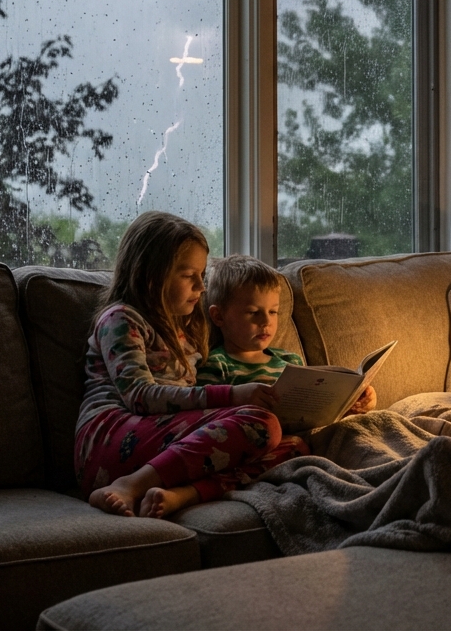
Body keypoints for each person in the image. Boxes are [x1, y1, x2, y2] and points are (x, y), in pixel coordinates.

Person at [76, 212, 305, 519]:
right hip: (111, 440)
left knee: (294, 447)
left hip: (165, 441)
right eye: (189, 276)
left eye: (202, 275)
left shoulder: (185, 329)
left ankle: (182, 495)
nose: (201, 286)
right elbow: (140, 397)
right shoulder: (120, 319)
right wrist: (233, 397)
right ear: (151, 276)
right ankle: (130, 485)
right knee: (259, 424)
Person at [197, 255, 376, 413]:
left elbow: (314, 412)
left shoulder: (291, 362)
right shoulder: (216, 365)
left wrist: (353, 404)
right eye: (253, 312)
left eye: (273, 312)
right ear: (219, 316)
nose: (266, 321)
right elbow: (207, 419)